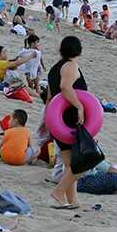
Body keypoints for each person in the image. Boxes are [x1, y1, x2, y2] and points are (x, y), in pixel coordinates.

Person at [44, 35, 88, 209]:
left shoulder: (54, 68)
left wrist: (46, 121)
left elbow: (48, 98)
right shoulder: (71, 65)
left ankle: (73, 201)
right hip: (69, 120)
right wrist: (79, 107)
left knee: (70, 164)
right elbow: (65, 88)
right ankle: (58, 193)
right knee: (84, 162)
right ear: (79, 50)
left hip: (57, 121)